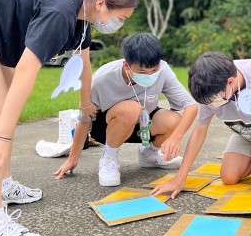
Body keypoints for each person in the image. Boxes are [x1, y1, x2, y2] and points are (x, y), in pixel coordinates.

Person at [0, 0, 137, 236]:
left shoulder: (82, 16)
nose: (119, 25)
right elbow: (26, 71)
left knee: (3, 115)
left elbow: (84, 64)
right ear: (101, 4)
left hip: (0, 40)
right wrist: (3, 138)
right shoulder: (60, 14)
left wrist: (86, 106)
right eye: (121, 18)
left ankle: (3, 184)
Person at [151, 52, 251, 206]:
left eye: (212, 100)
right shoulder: (208, 90)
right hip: (246, 132)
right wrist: (180, 177)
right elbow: (199, 132)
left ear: (230, 82)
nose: (209, 104)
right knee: (229, 177)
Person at [55, 33, 198, 186]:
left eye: (154, 70)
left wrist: (176, 137)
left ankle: (149, 156)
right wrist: (72, 159)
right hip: (108, 127)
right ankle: (109, 159)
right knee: (131, 109)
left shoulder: (163, 69)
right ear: (126, 65)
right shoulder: (101, 79)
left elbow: (191, 106)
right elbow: (84, 120)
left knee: (174, 120)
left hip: (142, 125)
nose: (150, 75)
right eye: (142, 72)